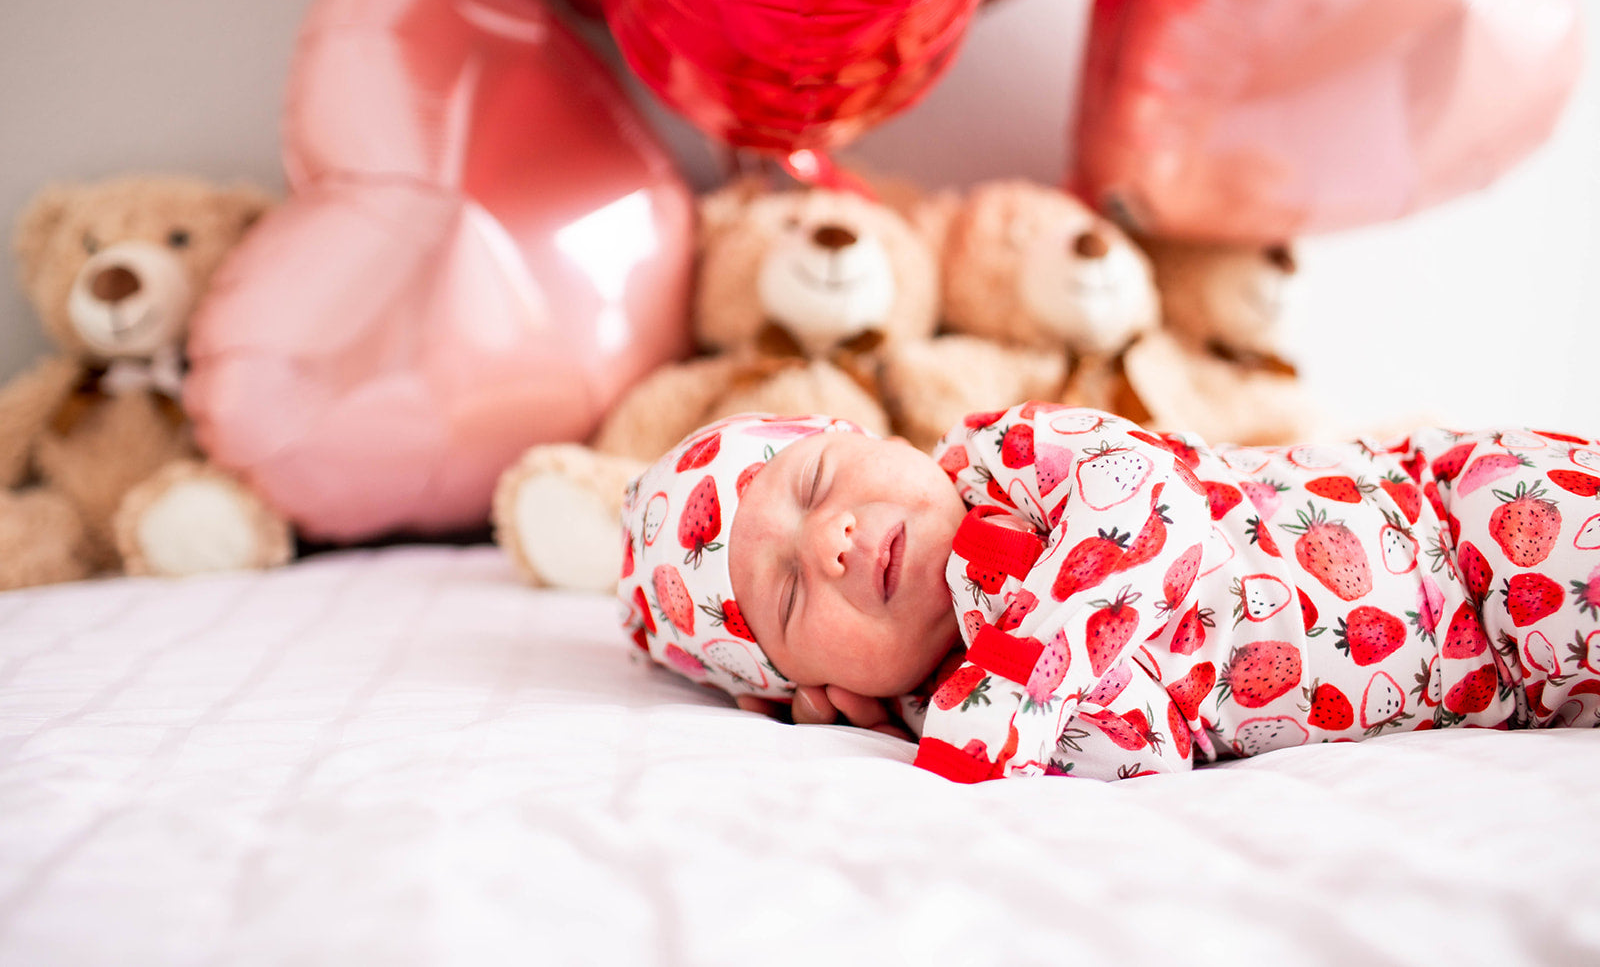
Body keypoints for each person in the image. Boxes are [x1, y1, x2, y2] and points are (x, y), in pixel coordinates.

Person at [617, 405, 1600, 781]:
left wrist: (1013, 681)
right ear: (811, 686)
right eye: (788, 597)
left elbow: (1151, 509)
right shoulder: (959, 712)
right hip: (1500, 687)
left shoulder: (1010, 457)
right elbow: (1150, 744)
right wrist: (917, 716)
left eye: (819, 481)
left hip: (1459, 525)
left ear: (873, 435)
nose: (827, 541)